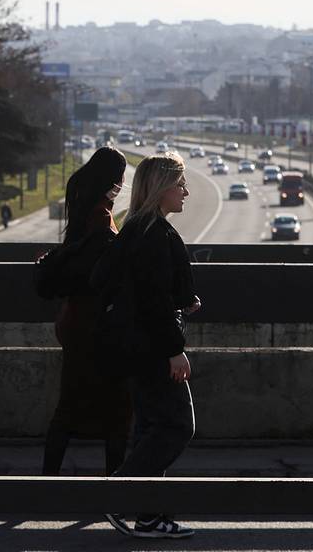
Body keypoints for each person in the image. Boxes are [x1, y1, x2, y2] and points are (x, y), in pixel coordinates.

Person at [93, 150, 202, 541]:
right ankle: (120, 494)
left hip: (135, 348)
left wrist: (183, 300)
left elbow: (144, 289)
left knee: (151, 429)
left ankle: (149, 516)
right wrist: (175, 349)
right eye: (180, 184)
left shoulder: (136, 229)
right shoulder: (154, 235)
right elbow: (153, 301)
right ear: (162, 188)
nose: (185, 192)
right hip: (154, 349)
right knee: (177, 425)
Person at [41, 147, 131, 476]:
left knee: (70, 404)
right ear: (114, 181)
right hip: (96, 326)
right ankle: (114, 486)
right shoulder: (102, 220)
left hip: (74, 321)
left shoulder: (82, 209)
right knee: (118, 410)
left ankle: (48, 479)